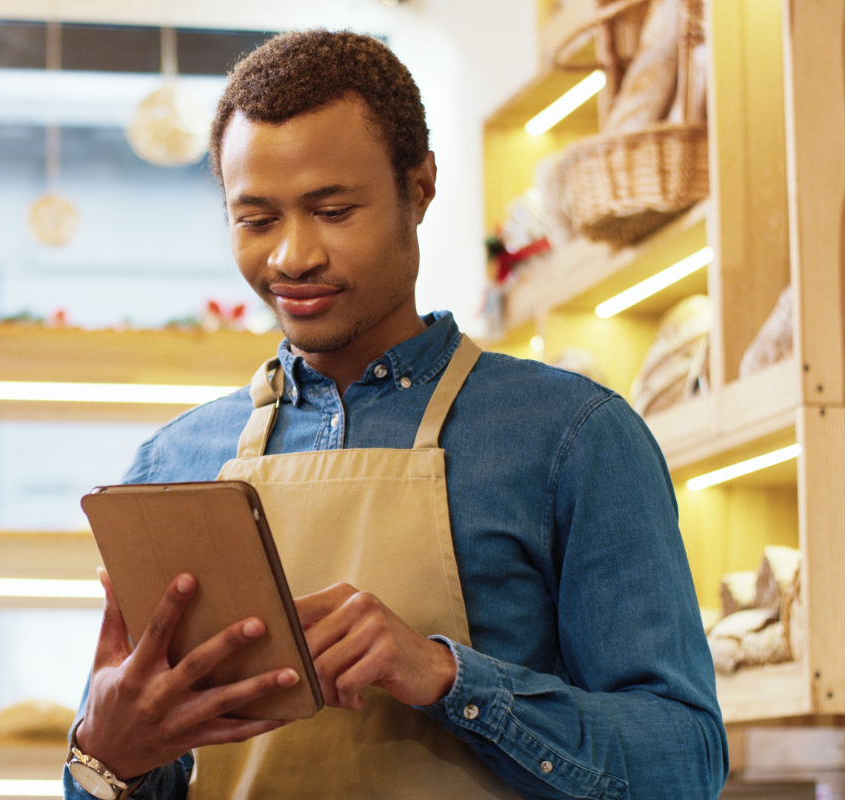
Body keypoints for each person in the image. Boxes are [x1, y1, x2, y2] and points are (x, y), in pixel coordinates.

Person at [63, 29, 727, 800]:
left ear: (420, 189)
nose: (292, 257)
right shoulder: (170, 465)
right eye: (256, 220)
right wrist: (107, 755)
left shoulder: (574, 438)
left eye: (333, 210)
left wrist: (447, 676)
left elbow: (686, 763)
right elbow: (120, 780)